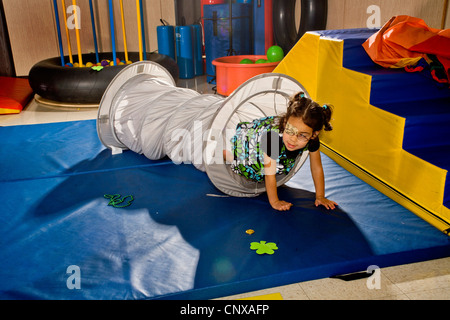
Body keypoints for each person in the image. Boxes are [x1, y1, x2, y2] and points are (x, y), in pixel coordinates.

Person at [223, 92, 338, 211]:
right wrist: (275, 201)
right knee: (246, 166)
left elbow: (316, 167)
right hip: (253, 144)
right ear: (285, 123)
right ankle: (226, 154)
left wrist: (320, 196)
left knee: (279, 161)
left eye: (302, 135)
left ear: (314, 134)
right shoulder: (273, 139)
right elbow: (269, 173)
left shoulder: (312, 140)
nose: (293, 139)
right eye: (290, 130)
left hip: (275, 146)